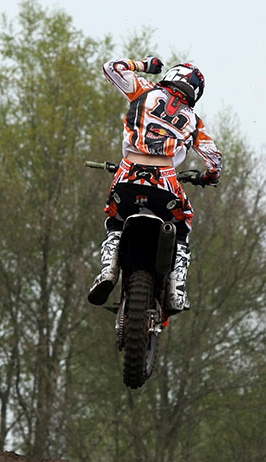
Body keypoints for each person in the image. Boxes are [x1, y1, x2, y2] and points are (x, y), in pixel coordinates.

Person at [88, 57, 222, 313]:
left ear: (171, 75)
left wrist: (144, 65)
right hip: (165, 181)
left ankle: (107, 271)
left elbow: (110, 67)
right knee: (183, 223)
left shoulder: (143, 90)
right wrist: (209, 178)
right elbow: (214, 159)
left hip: (128, 173)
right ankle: (176, 289)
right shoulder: (194, 120)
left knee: (115, 219)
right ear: (195, 93)